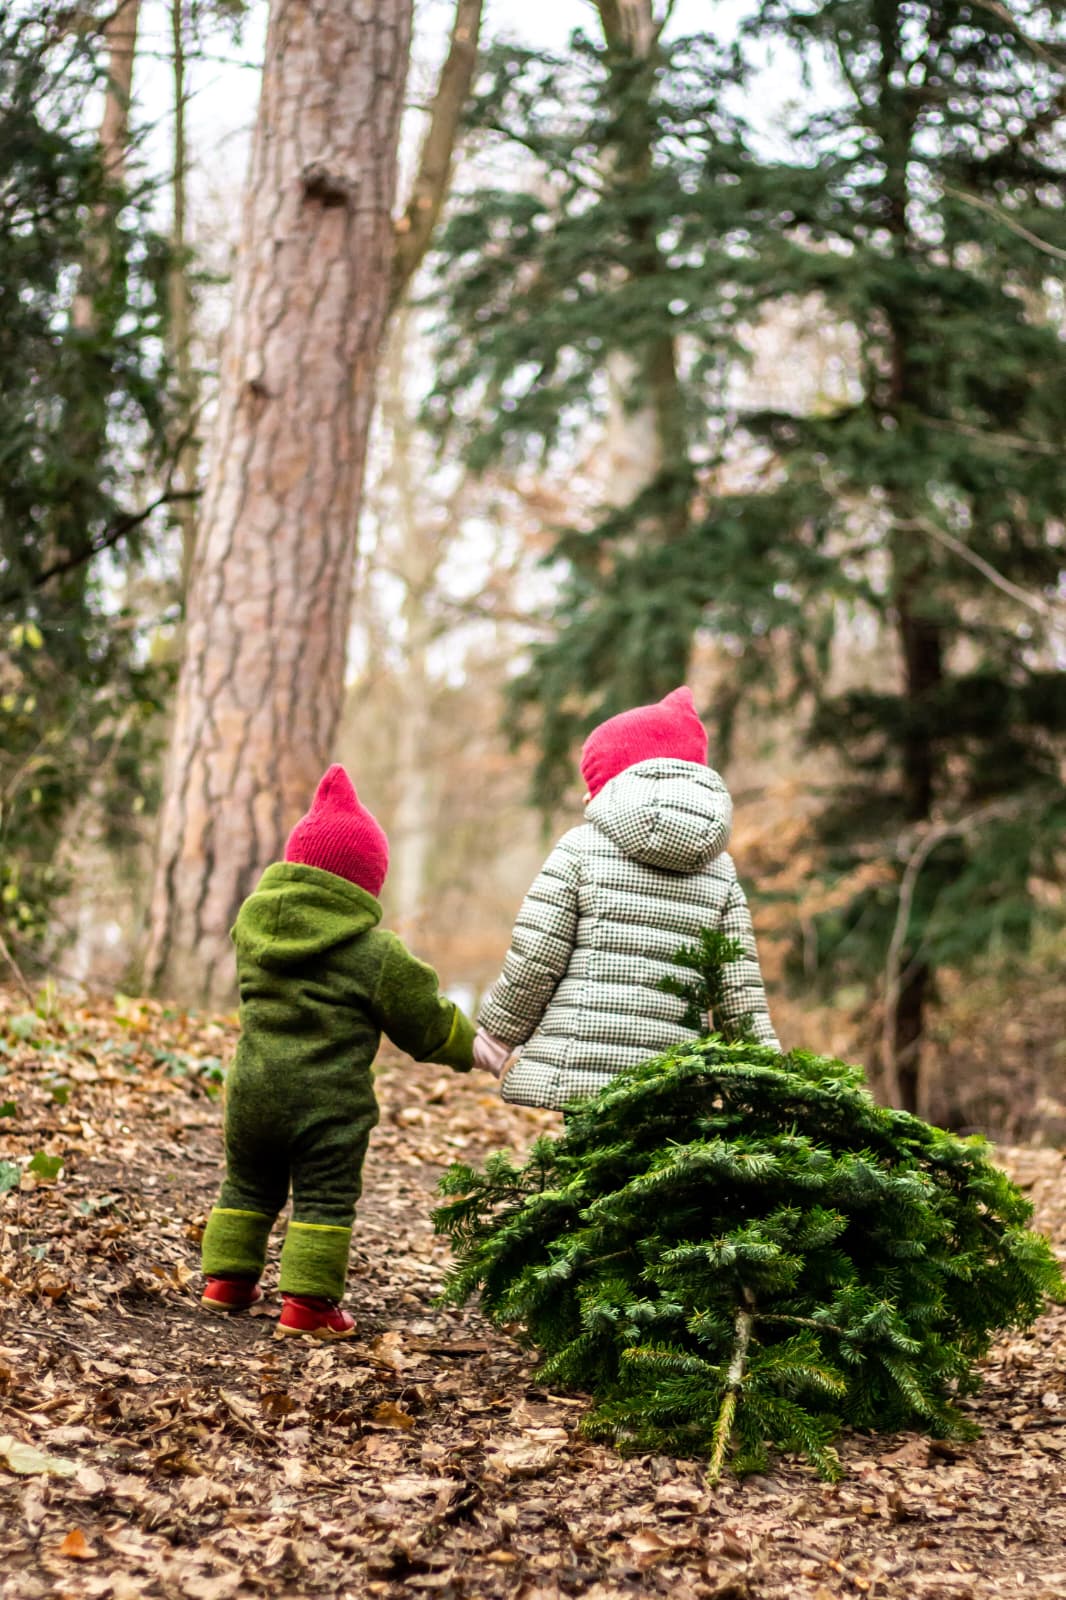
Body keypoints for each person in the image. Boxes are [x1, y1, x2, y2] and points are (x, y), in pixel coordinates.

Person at [199, 765, 475, 1340]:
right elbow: (424, 1021)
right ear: (362, 882)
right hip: (326, 1104)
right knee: (324, 1198)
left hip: (250, 1088)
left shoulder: (253, 932)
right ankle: (308, 1305)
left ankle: (225, 1281)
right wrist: (474, 1047)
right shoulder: (373, 954)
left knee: (248, 1183)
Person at [473, 687, 779, 1108]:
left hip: (581, 1070)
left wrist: (496, 1037)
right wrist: (767, 1087)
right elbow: (738, 989)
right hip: (675, 1084)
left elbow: (536, 956)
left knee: (586, 1170)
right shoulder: (721, 872)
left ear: (614, 782)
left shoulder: (580, 849)